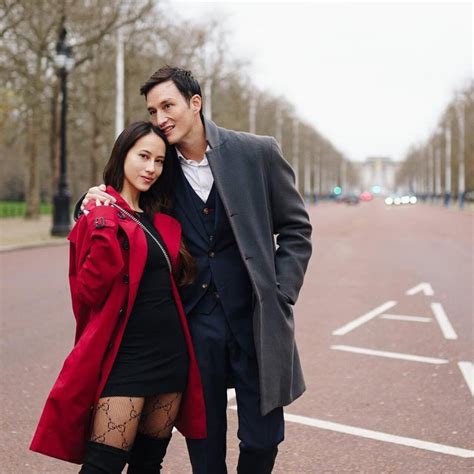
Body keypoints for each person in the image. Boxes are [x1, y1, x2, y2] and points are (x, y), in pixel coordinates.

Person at [79, 66, 312, 474]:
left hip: (255, 320)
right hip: (192, 325)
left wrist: (280, 292)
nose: (160, 118)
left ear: (195, 103)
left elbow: (296, 228)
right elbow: (123, 199)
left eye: (167, 106)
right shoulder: (159, 166)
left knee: (263, 440)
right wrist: (90, 199)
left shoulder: (256, 152)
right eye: (153, 111)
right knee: (205, 446)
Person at [30, 121, 206, 473]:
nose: (151, 168)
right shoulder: (100, 215)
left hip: (171, 355)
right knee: (102, 465)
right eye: (143, 156)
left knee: (148, 464)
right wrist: (100, 217)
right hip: (126, 357)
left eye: (159, 161)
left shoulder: (162, 217)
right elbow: (89, 291)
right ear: (123, 155)